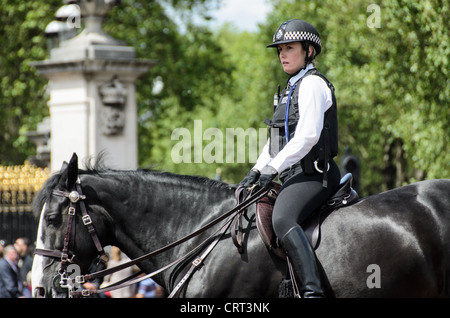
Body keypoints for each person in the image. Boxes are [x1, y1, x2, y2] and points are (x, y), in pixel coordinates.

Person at [239, 19, 340, 298]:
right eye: (280, 49)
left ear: (309, 51)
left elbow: (307, 136)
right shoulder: (286, 91)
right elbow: (274, 143)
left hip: (315, 175)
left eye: (289, 48)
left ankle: (312, 292)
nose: (282, 54)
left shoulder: (312, 85)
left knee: (282, 219)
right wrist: (256, 171)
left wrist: (273, 168)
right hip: (292, 175)